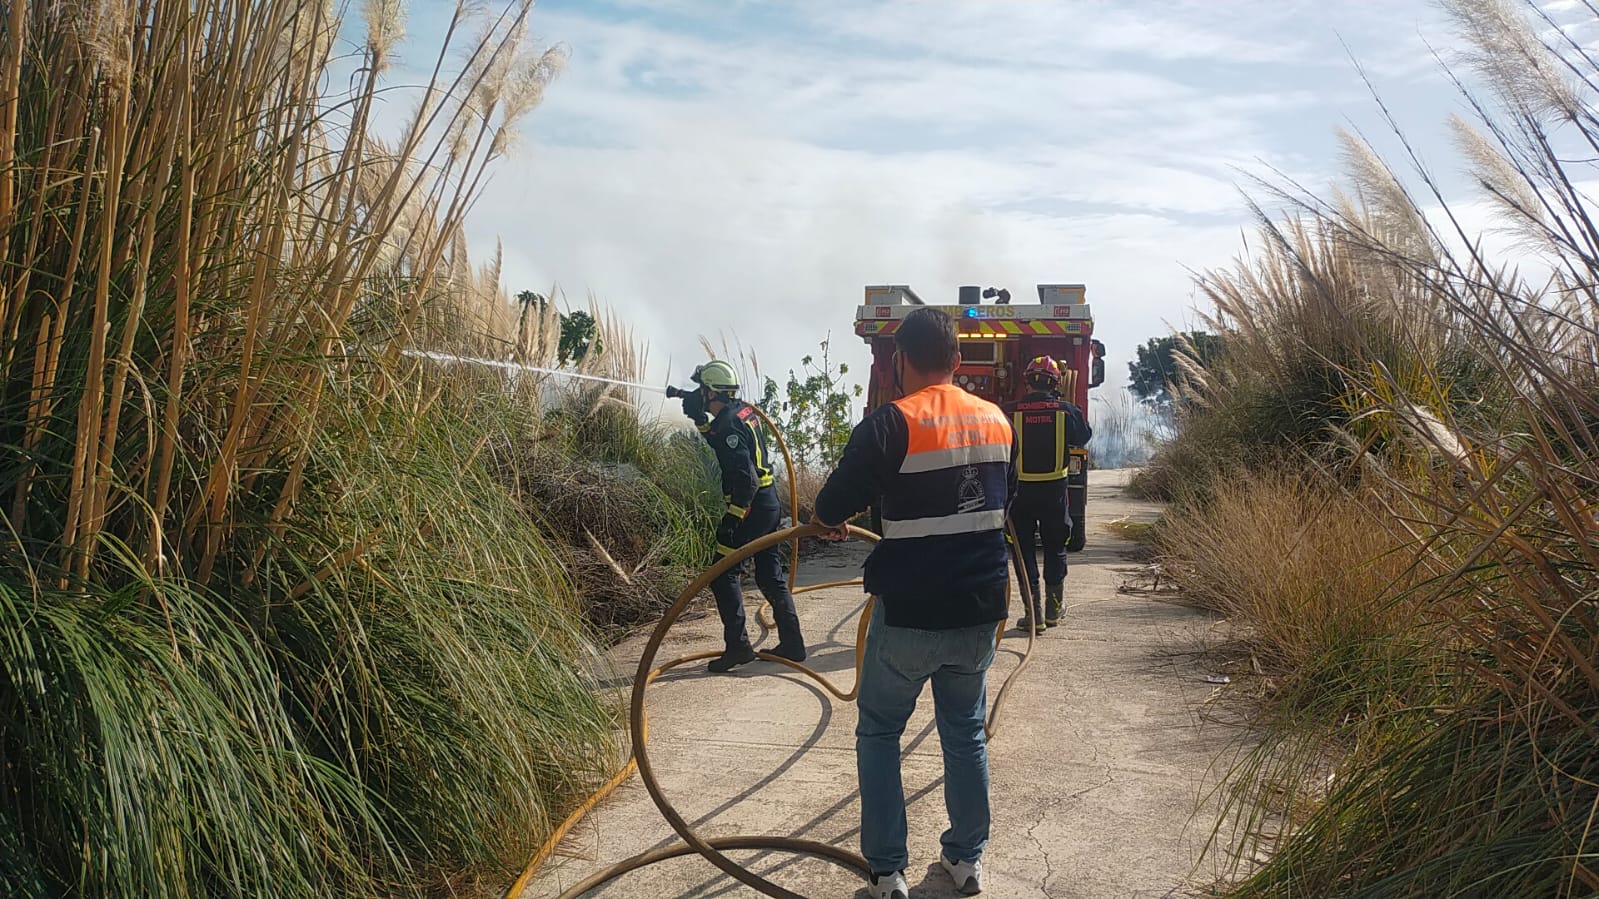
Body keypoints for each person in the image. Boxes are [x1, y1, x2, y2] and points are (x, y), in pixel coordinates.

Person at [813, 307, 1017, 899]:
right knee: (965, 733)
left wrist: (829, 523)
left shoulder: (887, 424)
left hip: (908, 614)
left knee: (879, 732)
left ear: (900, 362)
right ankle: (966, 861)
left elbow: (829, 507)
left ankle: (886, 871)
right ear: (957, 361)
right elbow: (1005, 501)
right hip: (980, 611)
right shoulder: (997, 421)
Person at [679, 359, 807, 672]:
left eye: (702, 391)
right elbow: (725, 443)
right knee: (768, 574)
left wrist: (732, 521)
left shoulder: (728, 423)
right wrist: (699, 421)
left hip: (752, 508)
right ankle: (793, 643)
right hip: (768, 503)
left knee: (723, 575)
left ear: (712, 392)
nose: (699, 394)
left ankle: (738, 647)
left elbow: (745, 480)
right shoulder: (741, 413)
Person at [1003, 355, 1092, 633]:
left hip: (1018, 495)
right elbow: (1083, 437)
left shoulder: (1008, 411)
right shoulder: (1066, 411)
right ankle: (1054, 610)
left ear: (1027, 381)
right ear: (1056, 384)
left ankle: (1034, 615)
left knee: (1023, 551)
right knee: (1055, 548)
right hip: (1054, 494)